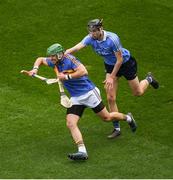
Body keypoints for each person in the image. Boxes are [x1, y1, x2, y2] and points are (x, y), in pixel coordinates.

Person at [27, 43, 137, 161]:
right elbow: (40, 59)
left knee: (107, 117)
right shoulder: (53, 61)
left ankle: (128, 118)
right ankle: (82, 151)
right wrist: (35, 69)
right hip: (76, 98)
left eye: (53, 56)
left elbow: (84, 71)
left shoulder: (70, 60)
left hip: (89, 93)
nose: (51, 58)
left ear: (59, 54)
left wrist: (66, 77)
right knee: (70, 123)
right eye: (50, 56)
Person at [65, 19, 159, 139]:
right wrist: (63, 54)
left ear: (100, 29)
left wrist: (112, 77)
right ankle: (117, 128)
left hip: (125, 64)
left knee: (138, 92)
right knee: (110, 97)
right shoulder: (90, 38)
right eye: (90, 31)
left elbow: (119, 60)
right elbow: (77, 47)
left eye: (94, 31)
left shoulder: (112, 39)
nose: (92, 34)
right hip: (110, 66)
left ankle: (149, 79)